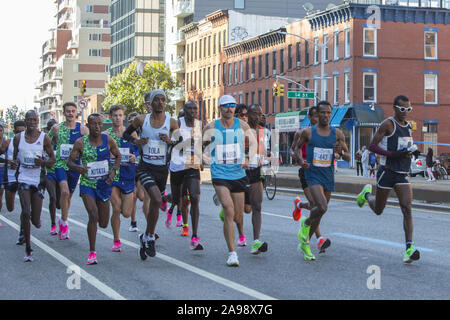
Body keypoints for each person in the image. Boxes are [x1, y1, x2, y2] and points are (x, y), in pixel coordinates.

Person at [356, 95, 421, 263]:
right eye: (402, 109)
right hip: (387, 171)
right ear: (395, 108)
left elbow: (404, 145)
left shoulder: (408, 126)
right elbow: (372, 146)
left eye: (408, 109)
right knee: (379, 210)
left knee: (407, 208)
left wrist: (412, 150)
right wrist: (391, 154)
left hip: (402, 173)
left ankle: (409, 248)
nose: (405, 112)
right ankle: (367, 196)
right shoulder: (388, 124)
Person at [123, 90, 178, 260]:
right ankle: (150, 237)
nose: (160, 103)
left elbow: (180, 142)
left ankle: (147, 235)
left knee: (157, 201)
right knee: (155, 198)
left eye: (163, 100)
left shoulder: (172, 123)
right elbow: (126, 134)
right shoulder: (141, 120)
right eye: (157, 100)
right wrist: (136, 141)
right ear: (151, 103)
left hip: (162, 169)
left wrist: (170, 142)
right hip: (145, 167)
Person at [202, 95, 254, 267]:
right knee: (230, 211)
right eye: (226, 106)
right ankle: (232, 253)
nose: (230, 109)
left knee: (238, 217)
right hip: (219, 173)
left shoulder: (242, 125)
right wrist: (203, 156)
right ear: (220, 108)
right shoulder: (212, 126)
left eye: (232, 106)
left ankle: (225, 210)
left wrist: (248, 158)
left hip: (238, 174)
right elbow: (199, 145)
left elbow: (254, 144)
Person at [295, 101, 350, 261]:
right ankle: (305, 224)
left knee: (321, 212)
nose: (325, 115)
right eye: (322, 113)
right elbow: (296, 148)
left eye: (328, 113)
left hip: (328, 175)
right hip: (312, 175)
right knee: (321, 206)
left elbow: (348, 156)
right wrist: (301, 161)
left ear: (331, 114)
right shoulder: (308, 132)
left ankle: (305, 244)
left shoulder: (337, 134)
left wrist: (341, 153)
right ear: (317, 114)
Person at [68, 113, 121, 265]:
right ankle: (92, 252)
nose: (96, 127)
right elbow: (69, 162)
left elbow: (118, 157)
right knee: (93, 214)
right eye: (93, 124)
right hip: (87, 184)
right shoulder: (81, 142)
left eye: (99, 124)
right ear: (88, 125)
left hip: (104, 185)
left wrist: (113, 171)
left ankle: (98, 233)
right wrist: (79, 168)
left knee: (103, 223)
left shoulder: (108, 140)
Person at [13, 110, 55, 261]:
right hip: (23, 177)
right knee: (25, 211)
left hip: (38, 179)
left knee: (35, 221)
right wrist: (13, 164)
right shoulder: (18, 138)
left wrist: (42, 162)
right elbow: (15, 160)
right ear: (25, 121)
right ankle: (28, 248)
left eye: (34, 120)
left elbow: (52, 160)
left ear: (38, 121)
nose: (32, 122)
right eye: (29, 120)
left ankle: (31, 223)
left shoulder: (44, 138)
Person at [291, 105, 331, 254]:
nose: (318, 119)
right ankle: (319, 239)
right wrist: (299, 159)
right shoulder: (301, 133)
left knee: (320, 207)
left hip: (322, 173)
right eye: (315, 116)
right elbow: (292, 148)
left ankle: (300, 205)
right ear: (310, 118)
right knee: (316, 205)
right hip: (307, 172)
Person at [49, 102, 89, 240]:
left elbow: (89, 147)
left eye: (73, 111)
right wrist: (47, 159)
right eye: (68, 111)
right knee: (64, 192)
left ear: (76, 112)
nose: (70, 113)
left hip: (75, 166)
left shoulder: (83, 129)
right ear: (64, 112)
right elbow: (47, 143)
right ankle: (65, 224)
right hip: (61, 164)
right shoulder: (56, 128)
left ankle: (62, 219)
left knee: (68, 196)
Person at [168, 101, 204, 249]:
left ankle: (194, 236)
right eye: (189, 108)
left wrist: (200, 159)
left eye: (194, 108)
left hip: (192, 165)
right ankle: (167, 199)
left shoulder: (199, 125)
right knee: (177, 199)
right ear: (184, 110)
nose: (192, 111)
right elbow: (171, 143)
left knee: (194, 197)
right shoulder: (177, 123)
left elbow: (200, 144)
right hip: (177, 166)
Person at [104, 105, 139, 252]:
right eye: (115, 115)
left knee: (126, 212)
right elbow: (99, 153)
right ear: (110, 117)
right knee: (116, 209)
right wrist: (108, 156)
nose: (117, 118)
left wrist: (134, 156)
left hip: (128, 175)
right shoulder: (106, 135)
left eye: (120, 115)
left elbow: (138, 149)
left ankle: (124, 227)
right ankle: (116, 240)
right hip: (112, 175)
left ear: (124, 117)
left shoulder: (131, 133)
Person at [245, 104, 269, 254]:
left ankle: (255, 241)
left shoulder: (263, 131)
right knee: (245, 209)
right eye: (254, 114)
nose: (257, 117)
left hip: (256, 170)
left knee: (257, 206)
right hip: (241, 171)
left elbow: (264, 151)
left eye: (260, 114)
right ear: (248, 114)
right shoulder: (241, 129)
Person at [0, 120, 26, 243]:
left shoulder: (30, 143)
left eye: (23, 131)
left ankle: (22, 232)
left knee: (25, 208)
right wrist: (8, 162)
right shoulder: (8, 143)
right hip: (10, 178)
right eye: (18, 132)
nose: (21, 134)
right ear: (14, 131)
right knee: (10, 208)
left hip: (24, 178)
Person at [43, 119, 60, 235]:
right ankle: (53, 224)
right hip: (49, 173)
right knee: (52, 198)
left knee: (59, 202)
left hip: (61, 172)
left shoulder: (62, 139)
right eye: (50, 127)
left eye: (55, 126)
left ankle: (62, 219)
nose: (53, 128)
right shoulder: (45, 140)